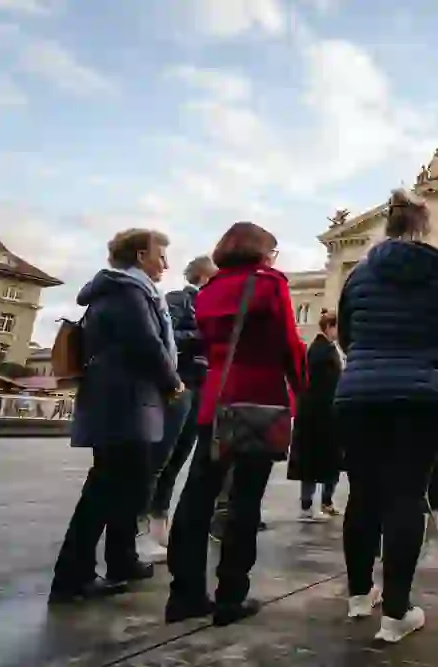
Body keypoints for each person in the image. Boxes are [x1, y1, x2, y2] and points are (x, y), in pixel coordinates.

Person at [334, 188, 438, 644]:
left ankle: (357, 596)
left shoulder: (358, 275)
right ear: (425, 227)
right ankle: (395, 614)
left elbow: (347, 335)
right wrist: (437, 372)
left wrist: (368, 366)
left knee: (363, 494)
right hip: (423, 394)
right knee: (407, 496)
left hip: (359, 393)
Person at [165, 222, 305, 627]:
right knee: (244, 502)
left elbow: (210, 345)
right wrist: (303, 390)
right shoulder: (268, 284)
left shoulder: (208, 290)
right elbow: (289, 344)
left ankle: (184, 595)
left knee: (196, 497)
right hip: (257, 402)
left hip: (215, 400)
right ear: (261, 251)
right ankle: (230, 596)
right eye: (273, 252)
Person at [50, 229, 181, 604]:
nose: (165, 265)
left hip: (122, 401)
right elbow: (146, 343)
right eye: (161, 256)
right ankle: (73, 577)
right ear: (141, 256)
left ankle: (120, 560)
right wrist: (172, 381)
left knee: (127, 485)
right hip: (125, 403)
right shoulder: (128, 292)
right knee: (106, 489)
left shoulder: (120, 291)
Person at [142, 256, 217, 559]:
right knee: (161, 456)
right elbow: (170, 337)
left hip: (201, 385)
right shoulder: (180, 299)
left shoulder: (212, 305)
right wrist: (205, 336)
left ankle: (159, 525)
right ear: (201, 275)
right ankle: (138, 528)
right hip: (181, 382)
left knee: (178, 459)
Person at [288, 309, 345, 521]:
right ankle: (309, 506)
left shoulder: (327, 349)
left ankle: (324, 502)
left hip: (323, 413)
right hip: (320, 414)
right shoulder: (321, 350)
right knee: (315, 462)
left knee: (327, 461)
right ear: (329, 327)